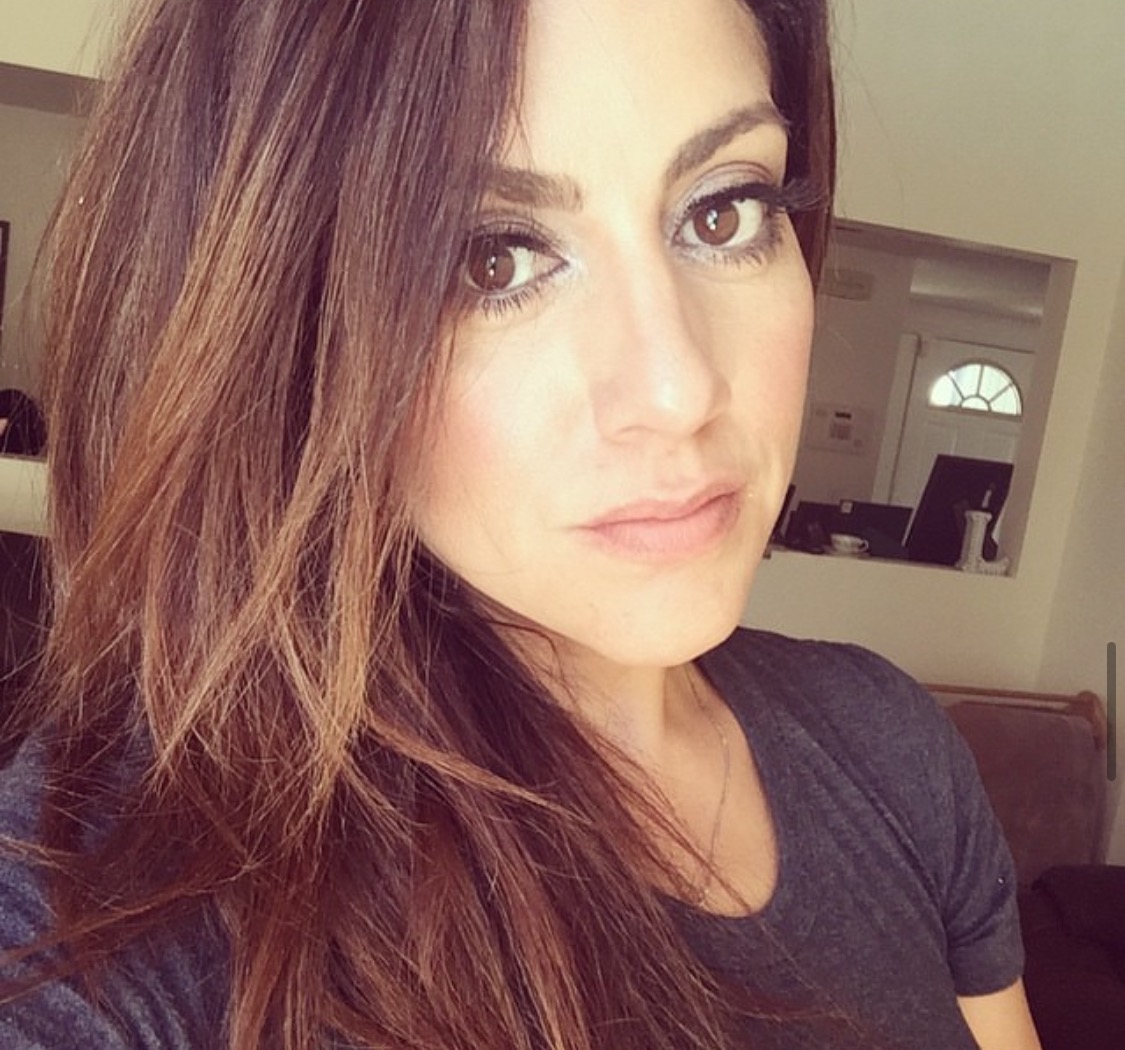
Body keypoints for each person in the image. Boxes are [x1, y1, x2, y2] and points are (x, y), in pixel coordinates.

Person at [0, 0, 1042, 1047]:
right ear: (283, 333)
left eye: (723, 213)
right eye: (492, 258)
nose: (678, 389)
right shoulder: (105, 913)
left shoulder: (891, 745)